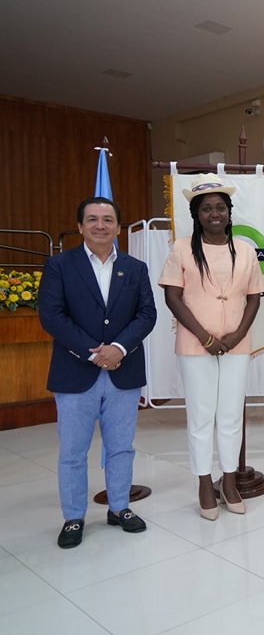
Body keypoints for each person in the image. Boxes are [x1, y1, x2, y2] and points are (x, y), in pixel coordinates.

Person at [39, 197, 157, 548]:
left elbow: (147, 314)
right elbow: (52, 316)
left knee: (121, 447)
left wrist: (118, 349)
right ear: (79, 226)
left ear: (118, 227)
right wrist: (95, 354)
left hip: (124, 370)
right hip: (75, 373)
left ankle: (119, 507)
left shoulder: (135, 268)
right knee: (73, 451)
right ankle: (74, 517)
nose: (100, 225)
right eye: (92, 219)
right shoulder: (60, 265)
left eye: (108, 219)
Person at [159, 174, 264, 520]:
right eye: (207, 208)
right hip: (194, 345)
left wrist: (236, 335)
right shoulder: (181, 249)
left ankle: (229, 481)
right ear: (197, 214)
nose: (214, 213)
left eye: (220, 207)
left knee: (231, 416)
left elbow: (253, 299)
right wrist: (204, 336)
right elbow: (172, 297)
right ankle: (205, 483)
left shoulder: (246, 251)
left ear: (229, 213)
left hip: (236, 344)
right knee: (202, 417)